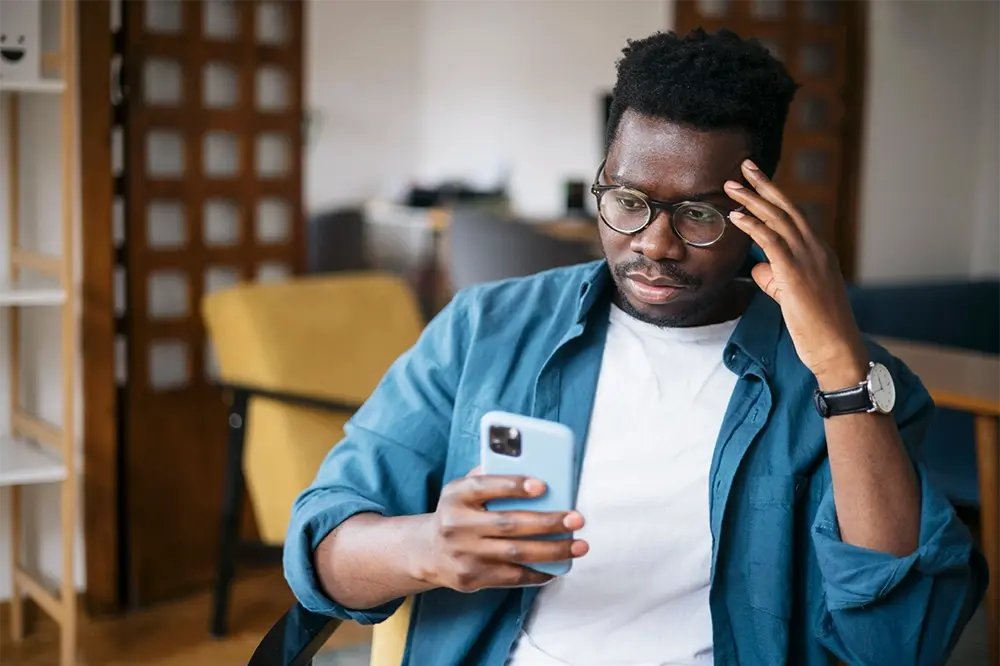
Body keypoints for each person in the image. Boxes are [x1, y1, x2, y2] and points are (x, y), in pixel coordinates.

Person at [284, 29, 987, 665]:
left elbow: (901, 641)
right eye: (627, 200)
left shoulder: (851, 384)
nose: (655, 242)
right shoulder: (486, 329)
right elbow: (322, 548)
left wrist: (840, 370)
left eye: (700, 214)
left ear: (760, 214)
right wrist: (429, 549)